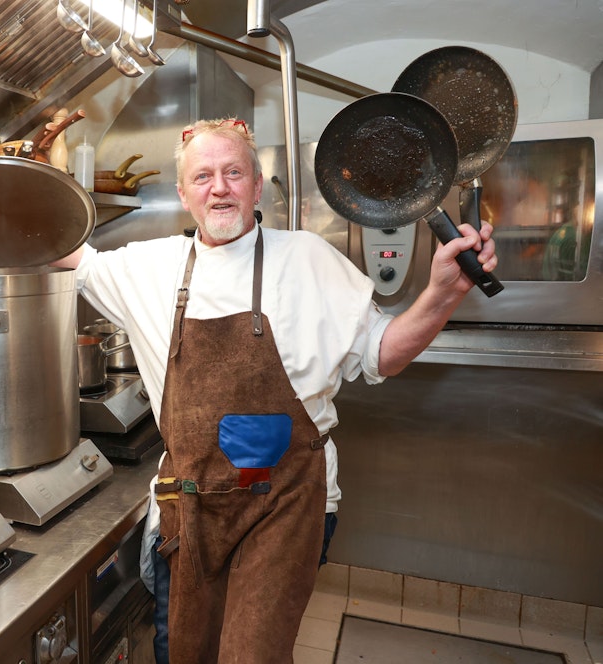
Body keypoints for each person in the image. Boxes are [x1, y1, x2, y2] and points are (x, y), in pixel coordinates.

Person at [53, 118, 498, 663]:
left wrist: (441, 295)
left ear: (256, 185)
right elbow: (57, 247)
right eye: (203, 176)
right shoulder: (148, 266)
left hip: (287, 506)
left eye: (233, 172)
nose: (219, 188)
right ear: (183, 194)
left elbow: (382, 352)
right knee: (183, 651)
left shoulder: (309, 259)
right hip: (191, 511)